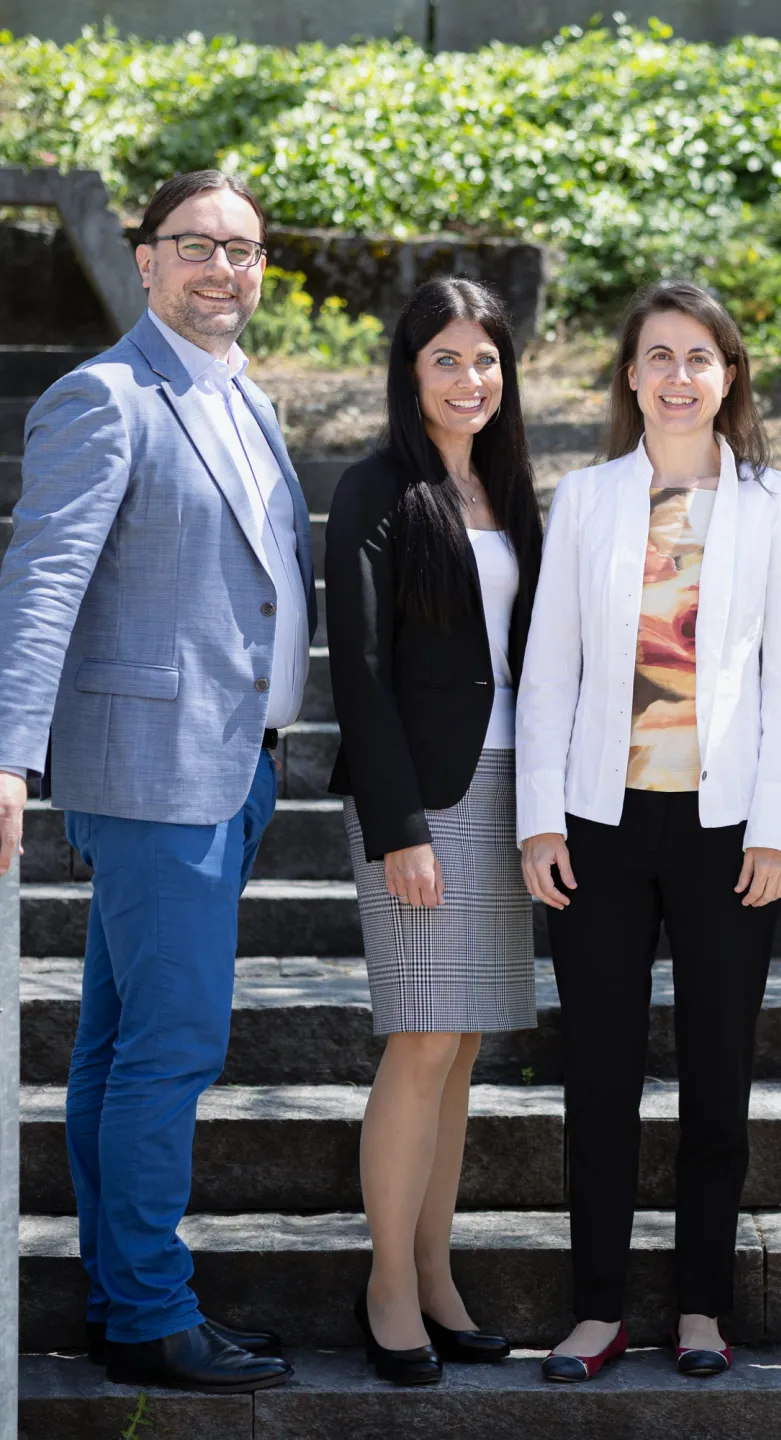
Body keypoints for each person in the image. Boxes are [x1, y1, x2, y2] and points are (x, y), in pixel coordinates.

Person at [0, 170, 312, 1393]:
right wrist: (11, 754)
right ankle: (147, 1310)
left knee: (120, 1045)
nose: (221, 269)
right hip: (151, 774)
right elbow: (42, 585)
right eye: (196, 246)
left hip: (236, 771)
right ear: (144, 260)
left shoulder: (250, 404)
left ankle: (126, 1295)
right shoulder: (105, 398)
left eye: (241, 249)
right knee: (172, 1046)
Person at [516, 281, 781, 1382]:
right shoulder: (587, 499)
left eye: (701, 356)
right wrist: (537, 821)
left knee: (717, 1070)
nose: (680, 375)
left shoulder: (774, 504)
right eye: (659, 356)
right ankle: (596, 1308)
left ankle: (702, 1306)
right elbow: (549, 670)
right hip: (599, 827)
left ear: (729, 375)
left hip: (726, 827)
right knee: (597, 1072)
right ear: (631, 377)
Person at [326, 277, 543, 1386]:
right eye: (447, 359)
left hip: (509, 789)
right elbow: (357, 673)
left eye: (487, 361)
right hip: (423, 796)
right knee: (419, 1040)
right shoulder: (375, 491)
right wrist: (399, 825)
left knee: (461, 1049)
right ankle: (389, 1285)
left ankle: (438, 1268)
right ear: (412, 372)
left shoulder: (510, 486)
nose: (470, 380)